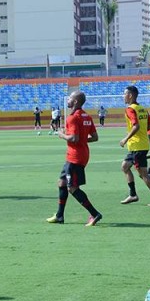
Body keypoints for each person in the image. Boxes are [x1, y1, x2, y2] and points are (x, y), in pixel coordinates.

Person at [46, 91, 103, 226]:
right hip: (80, 154)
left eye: (70, 98)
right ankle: (60, 215)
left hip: (75, 157)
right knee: (62, 183)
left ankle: (94, 214)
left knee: (72, 188)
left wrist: (61, 134)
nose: (68, 99)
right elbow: (95, 137)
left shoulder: (73, 118)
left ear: (76, 101)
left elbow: (74, 138)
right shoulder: (87, 116)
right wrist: (82, 140)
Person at [119, 85, 150, 206]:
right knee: (125, 166)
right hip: (140, 145)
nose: (123, 96)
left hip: (137, 146)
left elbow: (136, 126)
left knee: (143, 174)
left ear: (130, 95)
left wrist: (125, 138)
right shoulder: (142, 108)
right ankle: (132, 194)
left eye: (125, 94)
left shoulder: (130, 109)